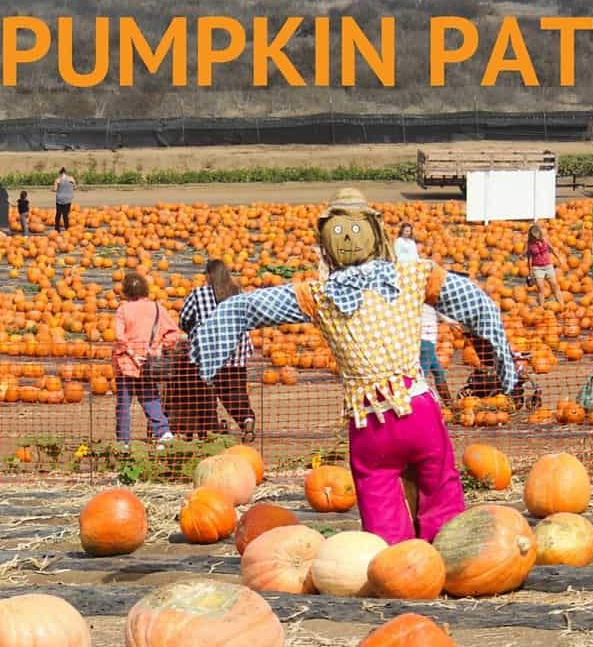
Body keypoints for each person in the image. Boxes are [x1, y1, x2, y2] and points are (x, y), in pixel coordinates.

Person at [189, 187, 518, 545]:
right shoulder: (415, 276)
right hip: (418, 408)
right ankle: (451, 552)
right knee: (439, 484)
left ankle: (394, 561)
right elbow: (479, 303)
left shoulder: (319, 294)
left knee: (377, 494)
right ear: (379, 235)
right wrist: (502, 361)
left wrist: (205, 353)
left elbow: (246, 307)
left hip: (369, 420)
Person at [176, 259, 256, 442]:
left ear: (209, 276)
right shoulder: (238, 294)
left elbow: (184, 319)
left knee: (206, 392)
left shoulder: (198, 294)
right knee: (235, 390)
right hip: (236, 348)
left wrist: (192, 331)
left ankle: (209, 428)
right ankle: (246, 418)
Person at [113, 272, 180, 449]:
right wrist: (159, 347)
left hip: (126, 364)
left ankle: (123, 442)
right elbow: (174, 333)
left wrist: (132, 353)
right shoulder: (157, 308)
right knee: (150, 398)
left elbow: (119, 336)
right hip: (149, 363)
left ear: (126, 292)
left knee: (124, 404)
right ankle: (163, 433)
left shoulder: (123, 310)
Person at [419, 304, 452, 406]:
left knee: (439, 372)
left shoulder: (416, 302)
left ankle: (449, 404)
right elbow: (447, 318)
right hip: (427, 343)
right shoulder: (431, 305)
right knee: (420, 378)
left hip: (425, 344)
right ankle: (416, 406)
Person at [526, 223, 564, 307]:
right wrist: (530, 272)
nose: (536, 239)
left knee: (554, 285)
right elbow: (530, 258)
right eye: (534, 237)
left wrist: (559, 258)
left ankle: (562, 305)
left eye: (537, 236)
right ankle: (541, 308)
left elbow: (552, 249)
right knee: (540, 288)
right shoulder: (530, 244)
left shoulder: (544, 240)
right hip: (537, 268)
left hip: (548, 266)